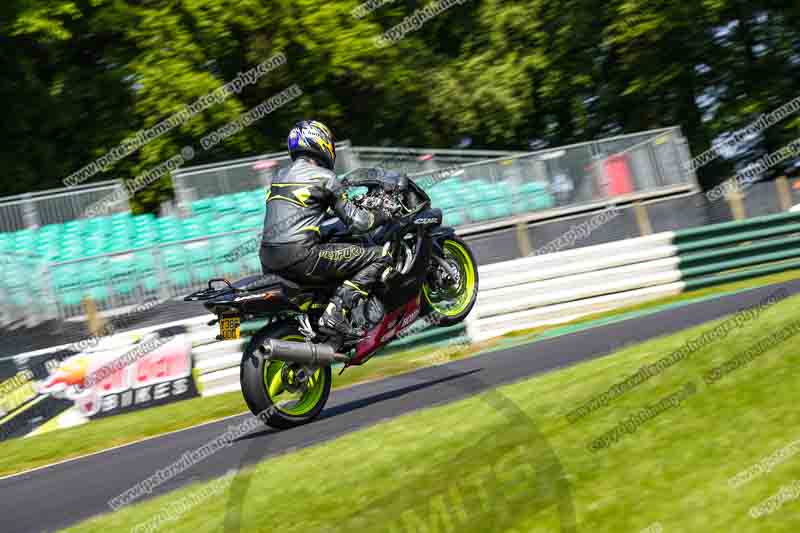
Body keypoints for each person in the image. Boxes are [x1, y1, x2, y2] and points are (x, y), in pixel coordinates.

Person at [260, 120, 394, 338]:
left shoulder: (279, 177)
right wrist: (384, 213)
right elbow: (359, 223)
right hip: (301, 256)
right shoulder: (324, 177)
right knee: (381, 256)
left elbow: (304, 213)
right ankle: (336, 312)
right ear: (319, 142)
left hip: (268, 259)